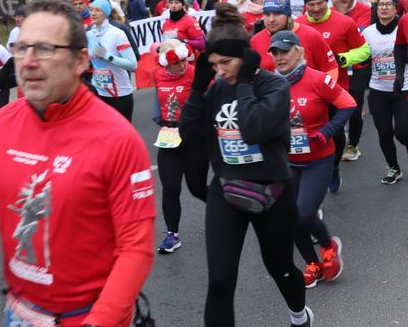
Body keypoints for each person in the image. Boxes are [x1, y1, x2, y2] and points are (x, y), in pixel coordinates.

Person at [0, 0, 155, 326]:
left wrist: (101, 320)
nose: (28, 61)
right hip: (17, 312)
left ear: (80, 61)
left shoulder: (118, 138)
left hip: (90, 317)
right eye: (22, 48)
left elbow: (136, 249)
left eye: (45, 49)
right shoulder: (0, 125)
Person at [179, 24, 313, 327]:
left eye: (226, 62)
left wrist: (244, 83)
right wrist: (198, 89)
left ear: (245, 57)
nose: (220, 70)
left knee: (280, 267)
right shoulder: (216, 89)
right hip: (226, 190)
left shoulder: (274, 86)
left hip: (272, 192)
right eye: (214, 65)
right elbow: (186, 134)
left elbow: (253, 129)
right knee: (221, 282)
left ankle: (299, 315)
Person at [268, 31, 354, 290]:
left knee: (303, 214)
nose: (279, 57)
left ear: (298, 52)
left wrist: (327, 132)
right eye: (275, 52)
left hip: (318, 160)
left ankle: (329, 246)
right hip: (287, 161)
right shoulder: (271, 83)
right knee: (288, 217)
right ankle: (312, 264)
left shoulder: (317, 79)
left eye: (284, 51)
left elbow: (348, 104)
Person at [297, 0, 370, 192]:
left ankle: (334, 166)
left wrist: (343, 59)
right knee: (308, 135)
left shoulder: (345, 22)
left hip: (337, 89)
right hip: (306, 92)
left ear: (328, 1)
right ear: (305, 5)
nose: (316, 8)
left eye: (320, 3)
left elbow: (364, 51)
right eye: (311, 4)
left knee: (336, 138)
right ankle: (308, 174)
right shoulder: (297, 25)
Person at [152, 39, 198, 253]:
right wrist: (159, 119)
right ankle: (172, 234)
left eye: (183, 60)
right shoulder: (158, 76)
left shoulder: (195, 73)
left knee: (198, 188)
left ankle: (227, 224)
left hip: (194, 138)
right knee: (170, 187)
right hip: (169, 137)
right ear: (165, 63)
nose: (181, 66)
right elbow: (157, 102)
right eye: (175, 62)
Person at [365, 0, 408, 183]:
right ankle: (393, 167)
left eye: (388, 4)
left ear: (396, 8)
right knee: (384, 132)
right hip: (378, 88)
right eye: (380, 5)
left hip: (404, 86)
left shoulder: (404, 26)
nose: (384, 8)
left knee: (403, 131)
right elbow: (363, 57)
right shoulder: (367, 32)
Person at [250, 0, 338, 79]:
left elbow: (331, 69)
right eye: (267, 14)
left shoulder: (311, 35)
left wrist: (323, 91)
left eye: (277, 14)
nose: (271, 19)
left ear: (288, 15)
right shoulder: (255, 41)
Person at [331, 0, 373, 161]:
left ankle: (352, 145)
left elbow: (358, 34)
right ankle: (337, 141)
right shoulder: (329, 11)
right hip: (336, 68)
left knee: (355, 110)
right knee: (334, 109)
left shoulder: (364, 9)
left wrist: (340, 15)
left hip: (357, 66)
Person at [87, 0, 138, 120]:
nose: (93, 13)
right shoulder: (88, 35)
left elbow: (133, 65)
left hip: (120, 94)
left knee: (122, 135)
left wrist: (107, 56)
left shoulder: (117, 34)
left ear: (106, 13)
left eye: (98, 10)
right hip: (98, 92)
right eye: (91, 9)